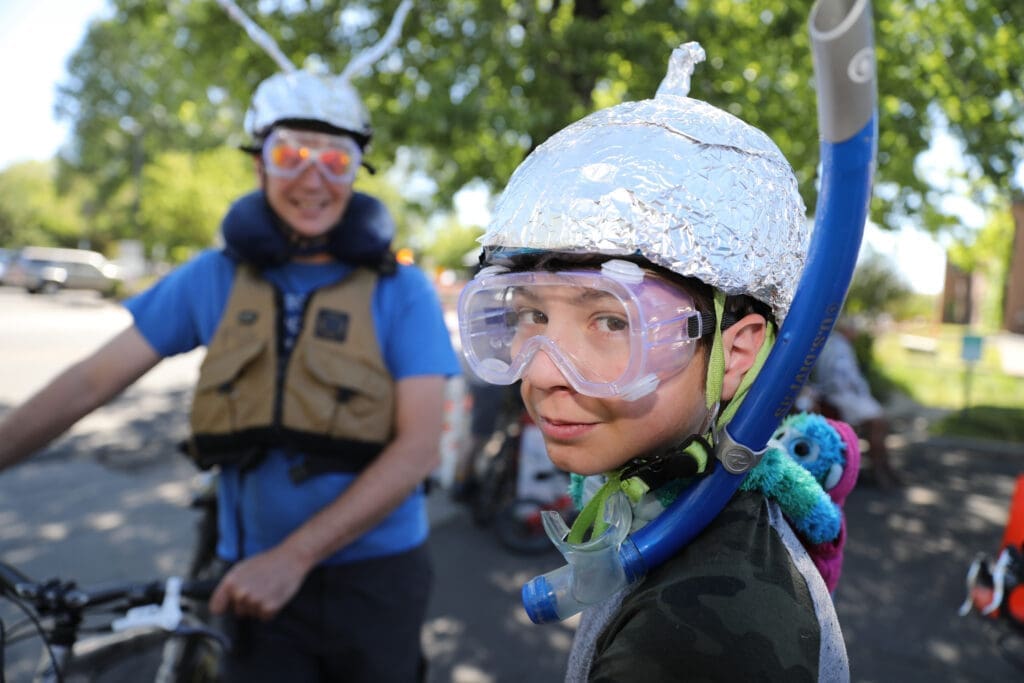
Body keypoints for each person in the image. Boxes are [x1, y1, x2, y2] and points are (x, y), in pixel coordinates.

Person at [0, 4, 459, 681]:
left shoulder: (404, 291)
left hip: (375, 577)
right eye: (290, 154)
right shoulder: (214, 278)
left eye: (336, 158)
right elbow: (89, 383)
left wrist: (295, 556)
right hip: (248, 574)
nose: (313, 178)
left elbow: (419, 446)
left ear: (358, 171)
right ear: (258, 166)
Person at [457, 43, 849, 680]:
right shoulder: (657, 512)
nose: (543, 372)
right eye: (530, 317)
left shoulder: (699, 628)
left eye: (612, 321)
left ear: (739, 348)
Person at [806, 320, 904, 488]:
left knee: (880, 423)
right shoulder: (838, 346)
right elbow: (840, 379)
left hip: (844, 395)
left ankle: (881, 466)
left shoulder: (835, 344)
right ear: (848, 331)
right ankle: (879, 468)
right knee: (878, 423)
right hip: (841, 396)